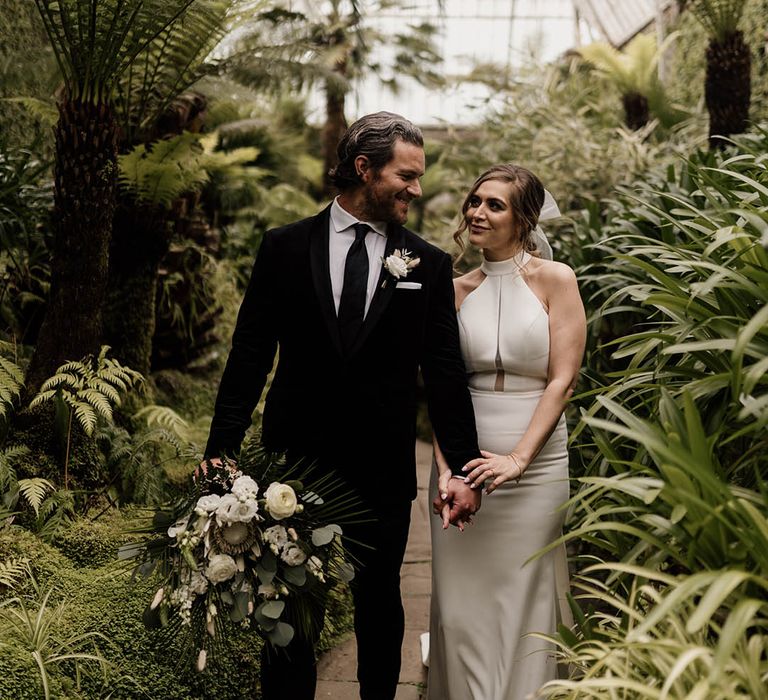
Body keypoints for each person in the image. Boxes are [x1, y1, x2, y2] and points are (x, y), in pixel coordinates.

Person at [202, 112, 483, 700]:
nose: (417, 189)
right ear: (364, 168)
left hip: (381, 471)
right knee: (289, 610)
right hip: (292, 467)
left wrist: (459, 464)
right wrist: (221, 451)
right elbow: (250, 354)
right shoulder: (283, 248)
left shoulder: (427, 265)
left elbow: (444, 372)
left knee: (379, 604)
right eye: (406, 175)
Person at [427, 164, 587, 700]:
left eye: (495, 205)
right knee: (461, 598)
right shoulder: (453, 291)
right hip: (463, 455)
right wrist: (451, 470)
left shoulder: (556, 280)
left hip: (536, 461)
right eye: (475, 201)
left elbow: (562, 381)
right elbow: (440, 388)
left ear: (524, 219)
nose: (478, 212)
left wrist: (518, 459)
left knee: (527, 588)